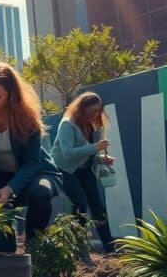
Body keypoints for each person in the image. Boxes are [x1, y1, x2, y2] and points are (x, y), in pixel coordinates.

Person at [0, 62, 61, 252]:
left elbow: (31, 163)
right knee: (1, 239)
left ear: (11, 95)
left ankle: (34, 248)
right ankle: (4, 258)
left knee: (41, 192)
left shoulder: (28, 118)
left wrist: (11, 188)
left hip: (36, 172)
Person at [51, 91, 116, 253]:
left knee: (98, 207)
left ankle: (110, 248)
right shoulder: (67, 124)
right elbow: (68, 153)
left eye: (98, 111)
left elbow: (86, 154)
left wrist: (101, 158)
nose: (96, 114)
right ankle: (77, 247)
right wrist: (95, 148)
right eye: (93, 111)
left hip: (83, 170)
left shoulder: (91, 126)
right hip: (64, 170)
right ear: (82, 108)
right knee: (80, 203)